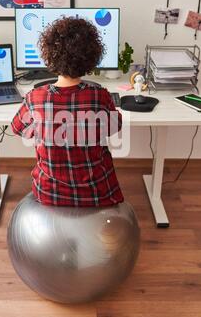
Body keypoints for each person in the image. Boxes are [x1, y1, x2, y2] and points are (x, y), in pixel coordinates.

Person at [11, 17, 124, 207]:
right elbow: (115, 126)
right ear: (90, 57)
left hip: (49, 192)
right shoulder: (100, 96)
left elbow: (16, 128)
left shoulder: (35, 98)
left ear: (50, 55)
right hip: (97, 192)